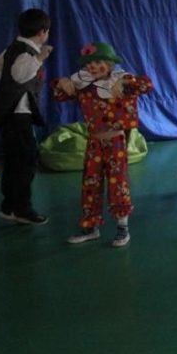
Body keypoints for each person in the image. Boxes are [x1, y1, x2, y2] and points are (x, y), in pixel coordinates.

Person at [51, 42, 153, 247]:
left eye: (98, 62)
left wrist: (123, 81)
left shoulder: (122, 81)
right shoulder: (84, 84)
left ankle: (122, 228)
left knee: (118, 183)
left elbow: (147, 84)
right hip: (94, 142)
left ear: (109, 64)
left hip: (115, 142)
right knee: (91, 183)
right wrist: (62, 81)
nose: (93, 67)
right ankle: (90, 227)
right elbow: (59, 94)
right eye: (89, 63)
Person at [0, 8, 53, 225]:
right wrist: (39, 58)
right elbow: (19, 75)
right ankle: (22, 208)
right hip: (17, 114)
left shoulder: (13, 48)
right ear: (42, 32)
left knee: (13, 161)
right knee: (25, 161)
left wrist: (9, 81)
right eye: (47, 31)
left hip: (10, 114)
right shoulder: (28, 52)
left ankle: (9, 206)